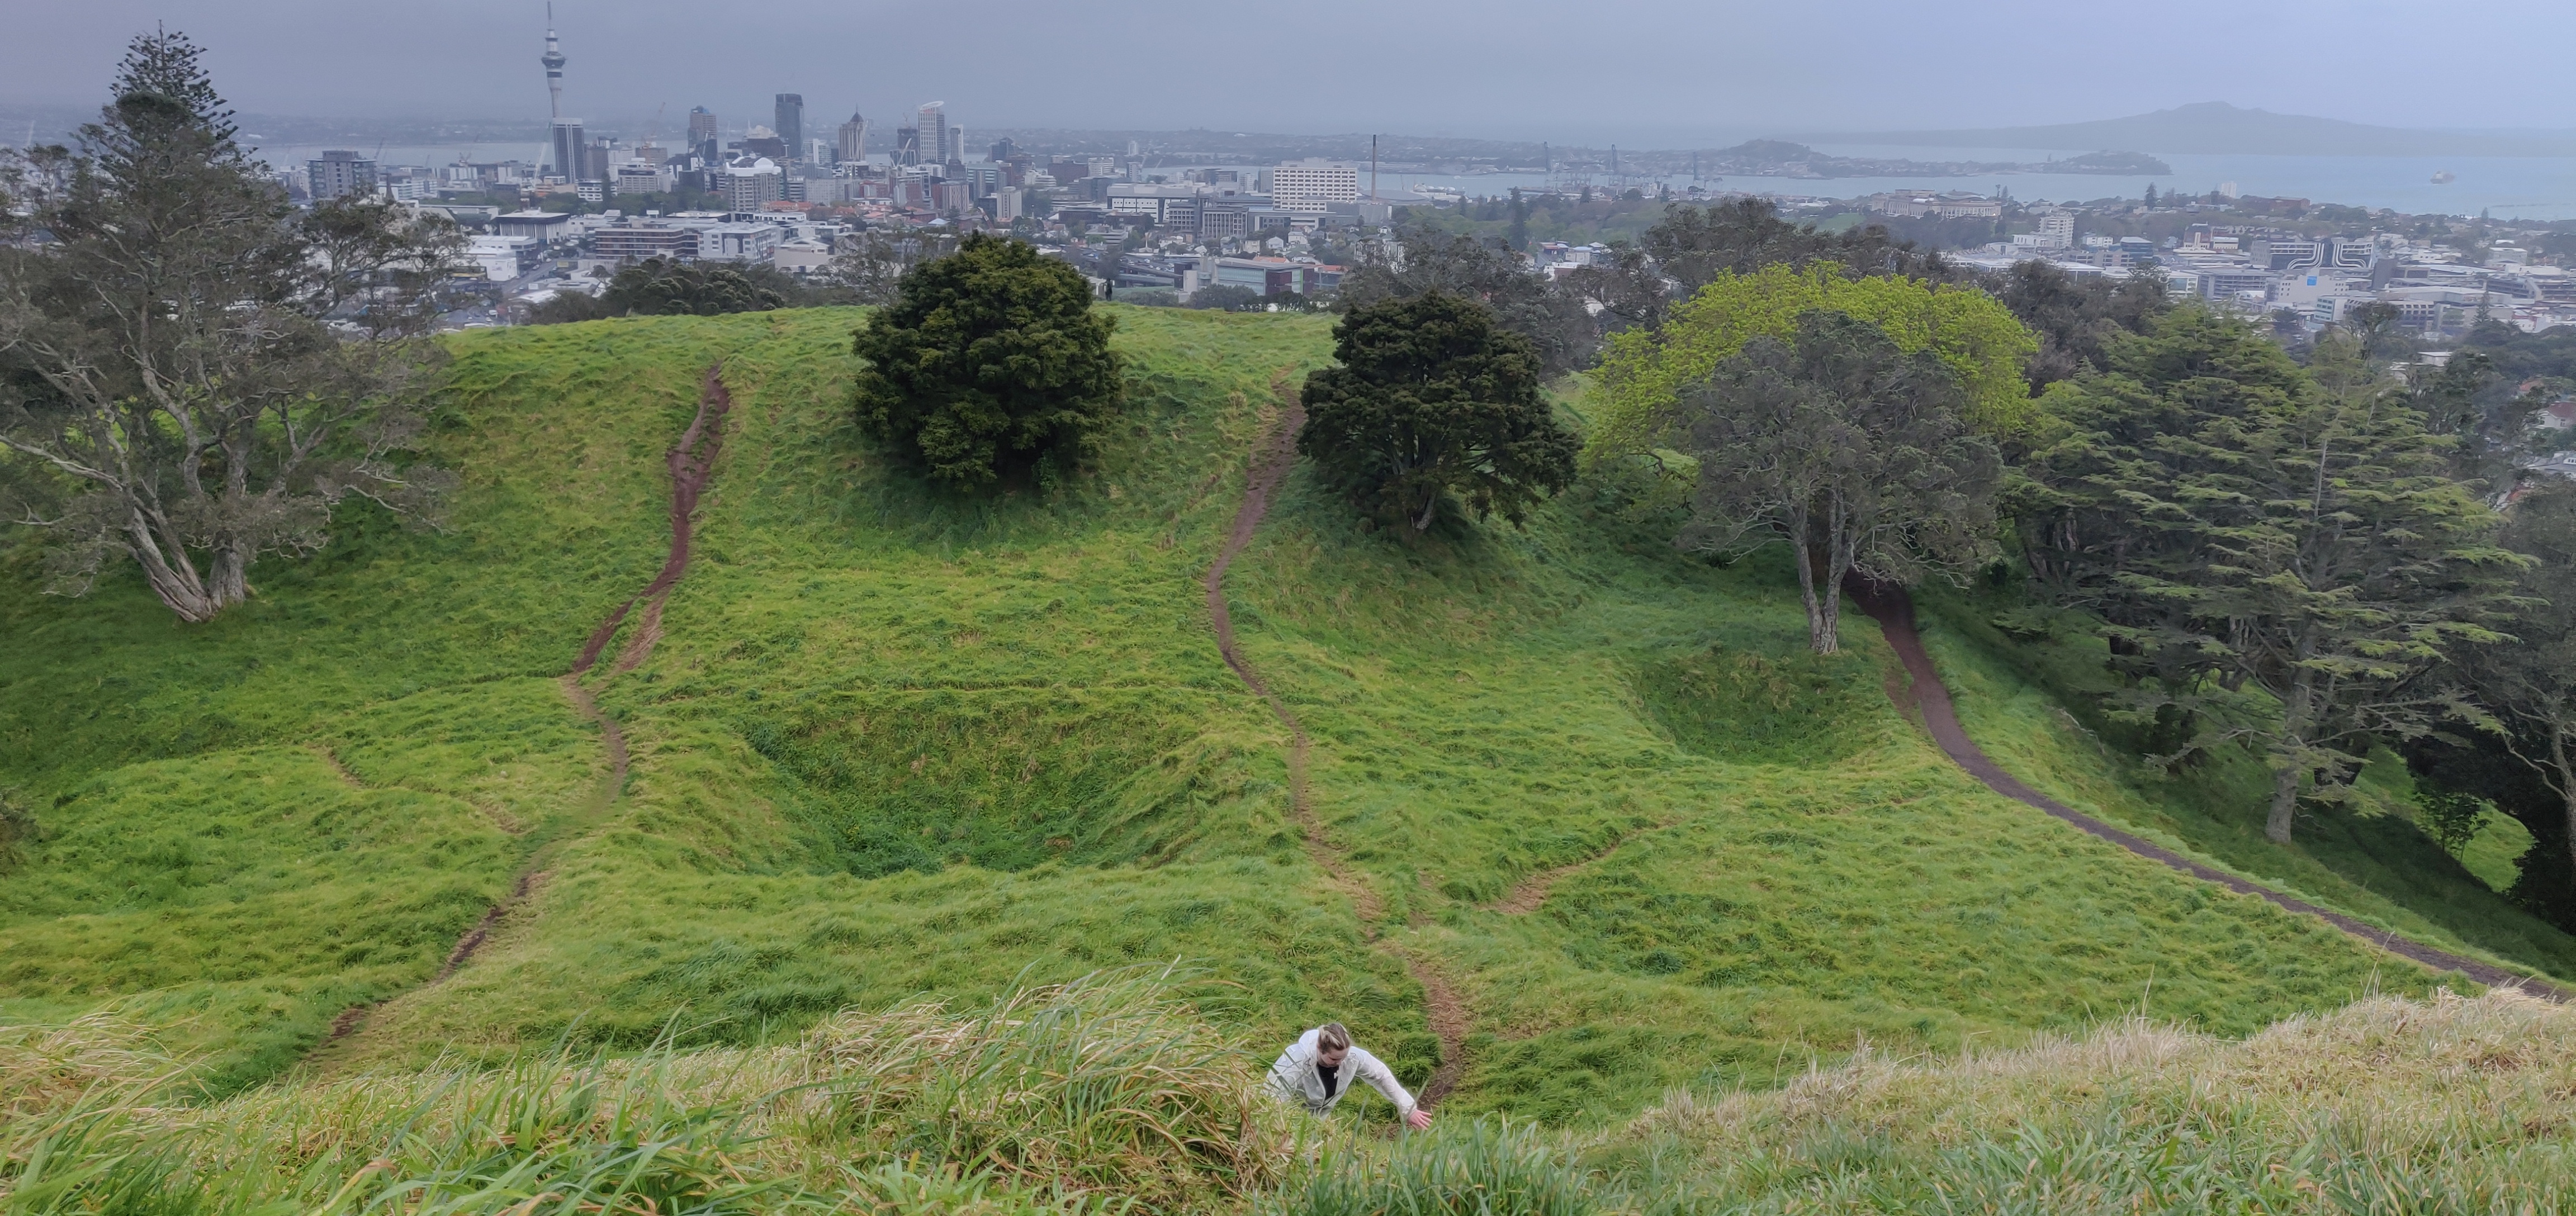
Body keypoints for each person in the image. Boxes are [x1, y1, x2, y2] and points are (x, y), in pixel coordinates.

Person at [1266, 1022, 1432, 1129]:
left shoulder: (1351, 1058)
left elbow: (1381, 1075)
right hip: (1288, 1123)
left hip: (1318, 1124)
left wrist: (1408, 1109)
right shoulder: (1295, 1061)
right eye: (1333, 1059)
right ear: (1319, 1048)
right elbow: (1273, 1099)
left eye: (1343, 1058)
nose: (1339, 1063)